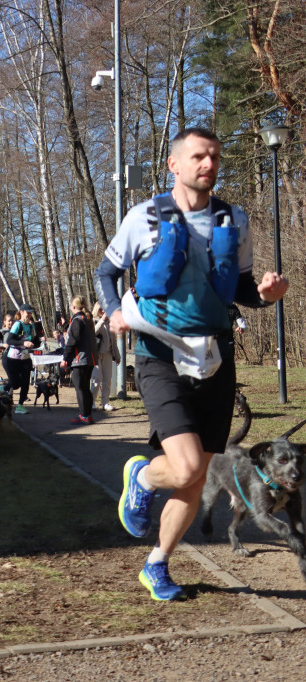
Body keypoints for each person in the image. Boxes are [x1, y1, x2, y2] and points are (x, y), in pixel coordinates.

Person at [95, 127, 288, 601]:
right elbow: (108, 271)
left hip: (215, 357)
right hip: (158, 353)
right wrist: (114, 310)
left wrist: (263, 297)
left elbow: (238, 288)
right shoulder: (144, 218)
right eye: (199, 156)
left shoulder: (233, 219)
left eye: (216, 157)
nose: (209, 164)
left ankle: (156, 564)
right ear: (174, 164)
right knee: (182, 468)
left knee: (198, 472)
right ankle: (140, 476)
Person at [59, 296, 96, 424]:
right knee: (85, 387)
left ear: (73, 307)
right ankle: (87, 414)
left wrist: (65, 358)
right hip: (89, 359)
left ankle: (84, 415)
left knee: (80, 388)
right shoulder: (86, 319)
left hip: (80, 359)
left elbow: (72, 341)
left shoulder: (77, 320)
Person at [1, 304, 40, 414]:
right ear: (21, 312)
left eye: (31, 312)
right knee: (15, 383)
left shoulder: (31, 327)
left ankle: (20, 406)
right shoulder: (18, 325)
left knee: (25, 383)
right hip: (13, 358)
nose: (29, 315)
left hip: (25, 358)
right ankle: (3, 390)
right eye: (27, 312)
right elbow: (9, 341)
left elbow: (35, 341)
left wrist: (36, 343)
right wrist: (23, 343)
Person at [91, 302, 120, 411]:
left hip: (107, 353)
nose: (103, 312)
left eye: (105, 309)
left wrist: (117, 355)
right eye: (100, 309)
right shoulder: (93, 320)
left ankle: (105, 402)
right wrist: (102, 320)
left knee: (107, 379)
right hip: (96, 354)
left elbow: (113, 341)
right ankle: (92, 401)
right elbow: (93, 332)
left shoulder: (110, 323)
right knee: (96, 378)